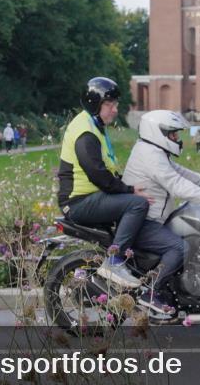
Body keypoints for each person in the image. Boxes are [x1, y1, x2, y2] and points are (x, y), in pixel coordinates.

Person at [122, 110, 200, 315]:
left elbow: (180, 172)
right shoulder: (150, 154)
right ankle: (151, 291)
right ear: (158, 132)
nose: (177, 139)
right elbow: (176, 184)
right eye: (173, 134)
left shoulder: (153, 151)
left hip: (153, 218)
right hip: (144, 222)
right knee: (181, 248)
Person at [57, 77, 152, 289]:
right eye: (109, 105)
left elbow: (107, 171)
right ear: (94, 104)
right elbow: (97, 174)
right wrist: (129, 190)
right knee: (137, 204)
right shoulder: (86, 133)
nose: (115, 109)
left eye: (115, 105)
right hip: (79, 202)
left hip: (90, 197)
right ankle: (115, 261)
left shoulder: (93, 125)